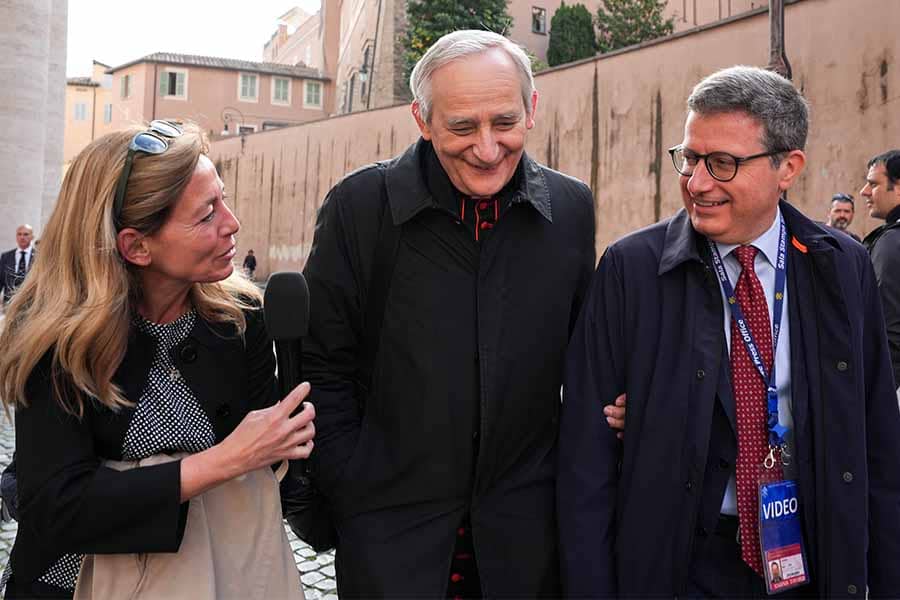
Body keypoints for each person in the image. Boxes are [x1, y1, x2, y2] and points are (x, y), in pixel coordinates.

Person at [558, 66, 900, 598]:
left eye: (722, 163)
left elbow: (876, 435)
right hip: (683, 566)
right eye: (689, 158)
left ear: (788, 167)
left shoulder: (842, 267)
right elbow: (586, 460)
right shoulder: (631, 270)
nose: (697, 183)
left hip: (813, 555)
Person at [302, 29, 595, 598]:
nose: (487, 149)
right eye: (462, 127)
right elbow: (322, 365)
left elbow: (583, 363)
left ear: (532, 108)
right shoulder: (359, 207)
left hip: (525, 544)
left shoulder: (571, 208)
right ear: (422, 119)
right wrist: (352, 483)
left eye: (505, 122)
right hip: (393, 540)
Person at [0, 121, 315, 599]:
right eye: (207, 214)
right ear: (136, 246)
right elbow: (55, 506)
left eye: (224, 199)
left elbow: (267, 460)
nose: (232, 223)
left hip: (220, 576)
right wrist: (224, 460)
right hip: (74, 584)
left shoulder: (240, 316)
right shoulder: (56, 337)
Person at [861, 149, 900, 396]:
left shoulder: (891, 243)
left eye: (874, 184)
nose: (864, 191)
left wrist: (877, 394)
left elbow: (887, 328)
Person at [0, 225, 35, 306]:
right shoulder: (6, 256)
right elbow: (0, 280)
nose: (22, 237)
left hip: (31, 304)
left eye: (26, 234)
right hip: (9, 304)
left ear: (32, 237)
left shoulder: (39, 257)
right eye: (19, 234)